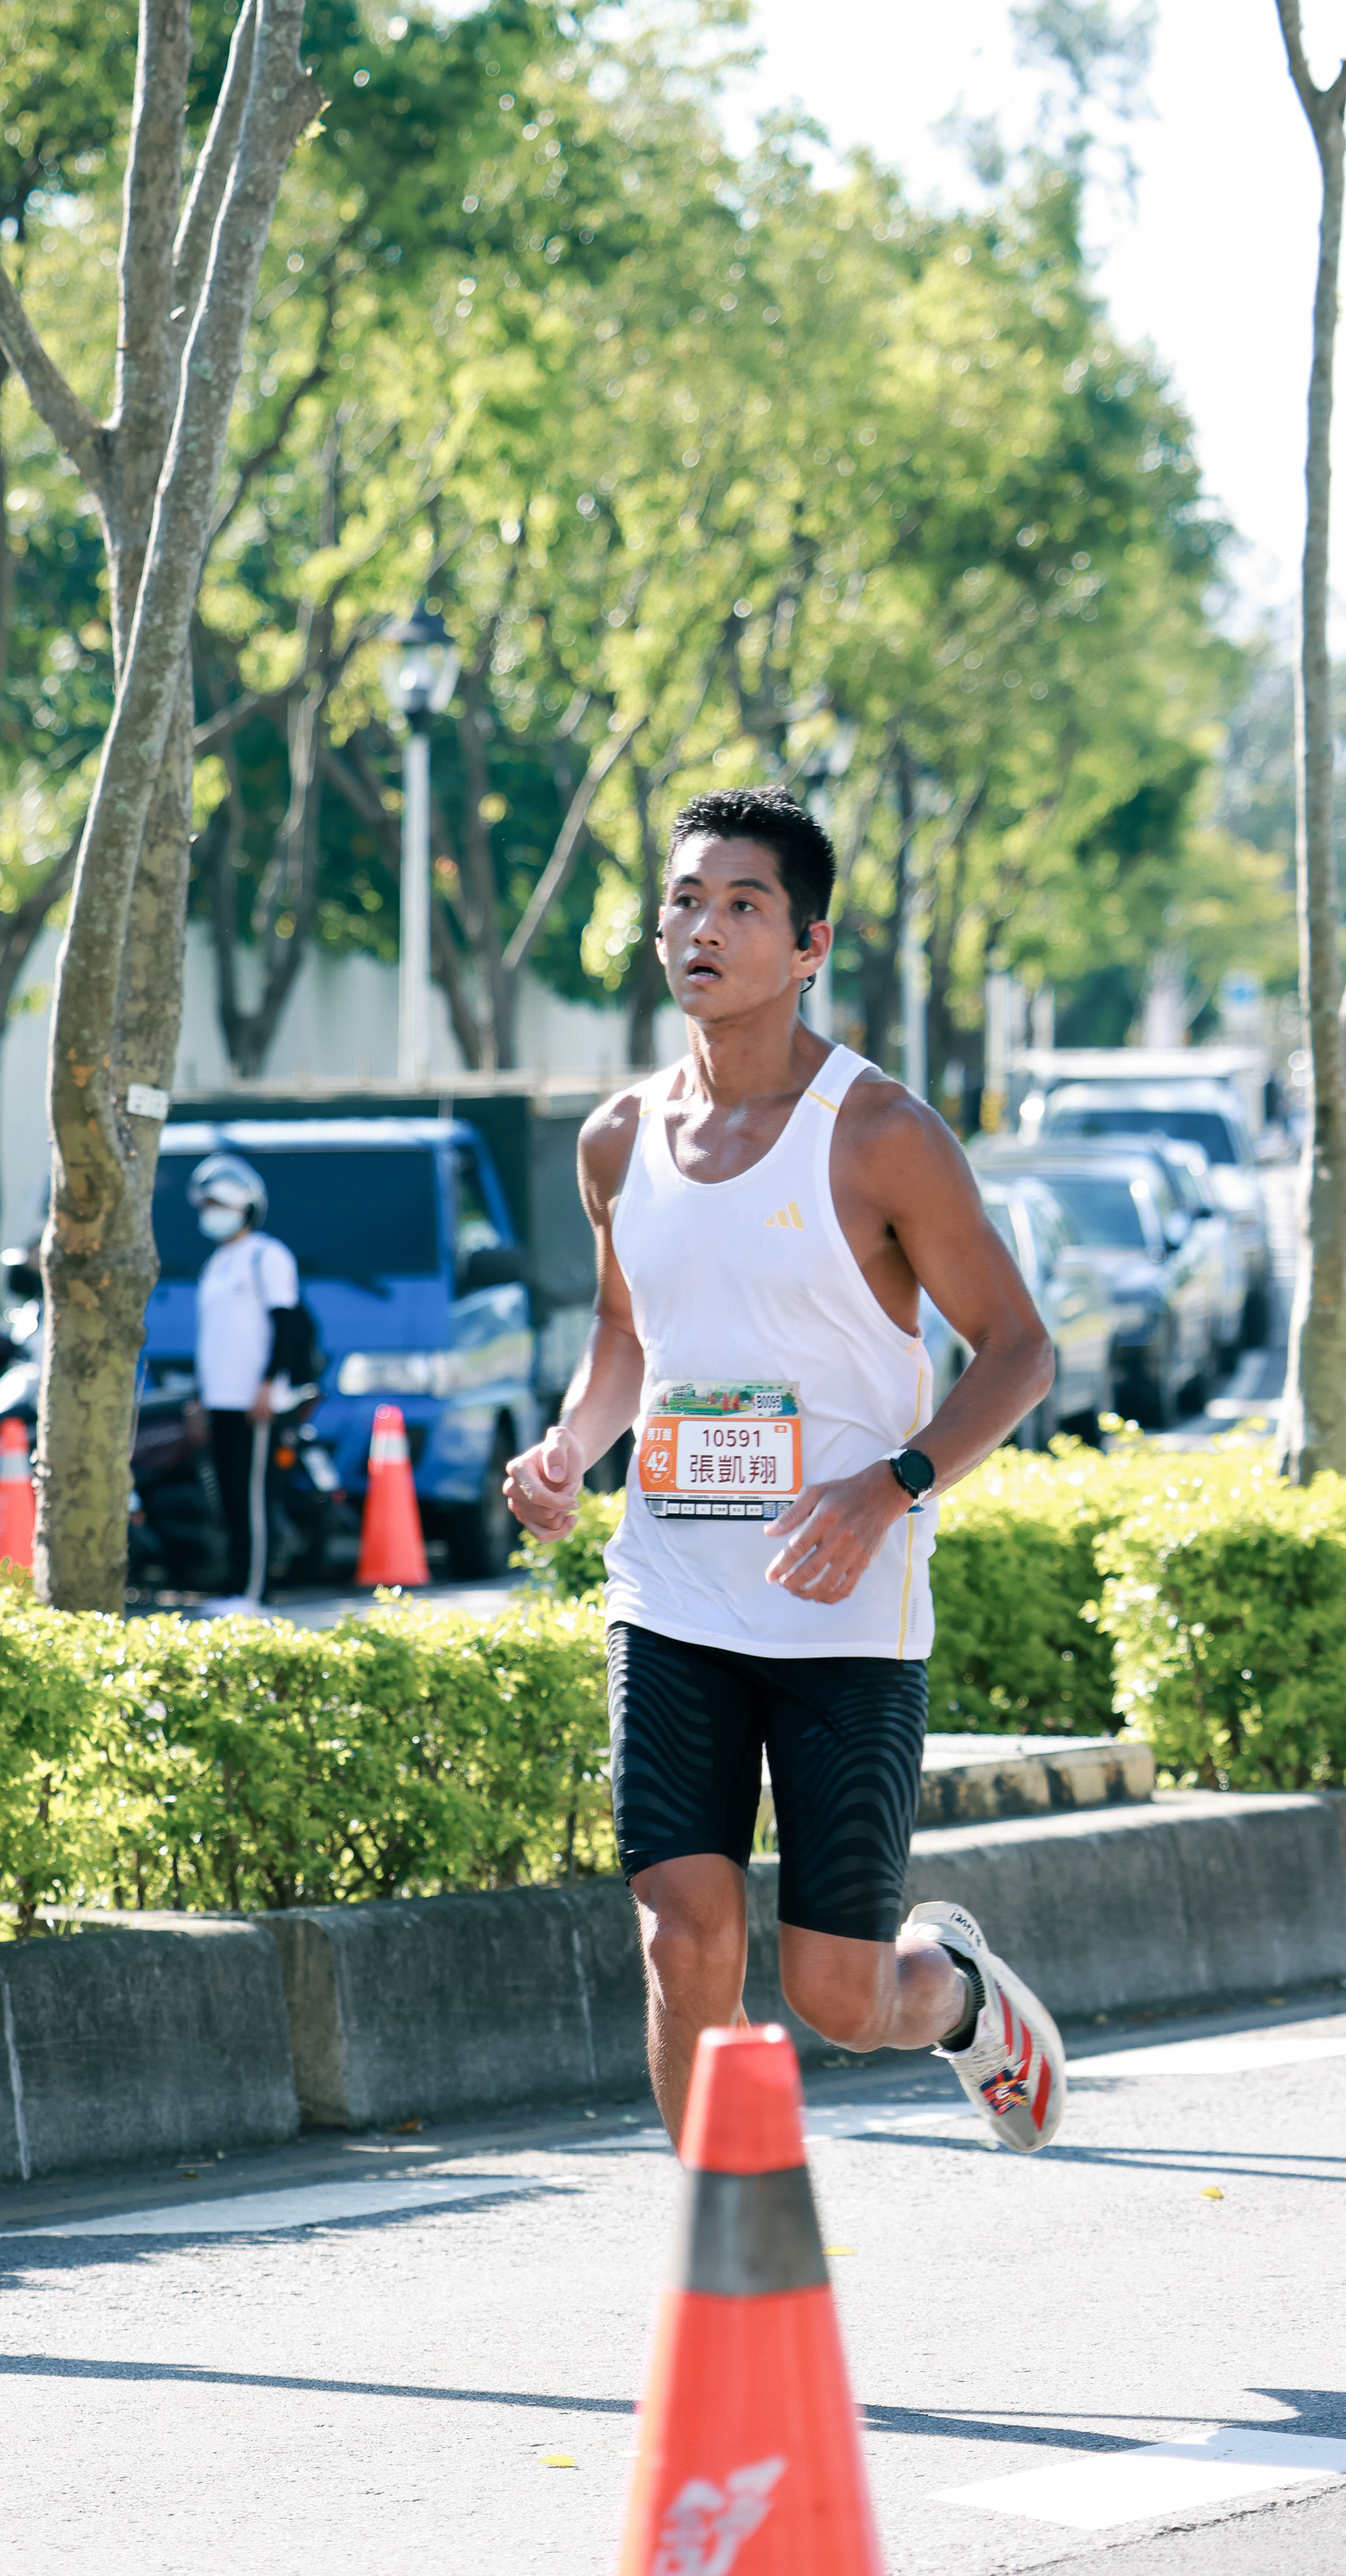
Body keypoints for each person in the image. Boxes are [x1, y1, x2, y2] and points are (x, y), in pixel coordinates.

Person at [504, 784, 1068, 2156]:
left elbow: (1018, 1352)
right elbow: (627, 1334)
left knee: (838, 1996)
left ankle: (960, 1995)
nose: (705, 927)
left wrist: (891, 1487)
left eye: (744, 904)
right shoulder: (617, 1139)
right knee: (681, 1935)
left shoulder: (879, 1134)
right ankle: (722, 2229)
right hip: (672, 1594)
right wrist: (572, 1446)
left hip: (841, 1613)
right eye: (685, 901)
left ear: (810, 945)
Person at [188, 1151, 305, 1612]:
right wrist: (201, 1396)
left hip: (255, 1399)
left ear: (245, 1207)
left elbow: (286, 1326)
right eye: (207, 1206)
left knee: (254, 1496)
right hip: (219, 1399)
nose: (211, 1214)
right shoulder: (217, 1262)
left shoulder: (267, 1255)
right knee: (231, 1495)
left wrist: (268, 1384)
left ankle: (255, 1593)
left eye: (219, 1204)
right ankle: (235, 1587)